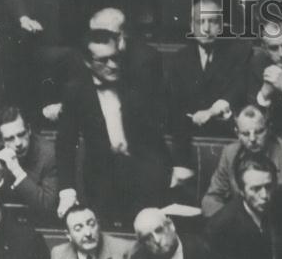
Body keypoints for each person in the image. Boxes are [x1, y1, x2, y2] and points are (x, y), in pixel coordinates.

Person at [55, 31, 188, 225]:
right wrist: (67, 190)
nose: (113, 65)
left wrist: (182, 163)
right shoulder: (75, 91)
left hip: (148, 174)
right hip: (102, 181)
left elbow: (177, 114)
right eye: (103, 60)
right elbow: (65, 143)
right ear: (87, 62)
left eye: (115, 58)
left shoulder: (141, 79)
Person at [166, 0, 254, 156]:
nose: (206, 29)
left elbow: (238, 89)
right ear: (192, 26)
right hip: (191, 137)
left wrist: (212, 112)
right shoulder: (178, 60)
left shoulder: (239, 53)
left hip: (229, 139)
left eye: (212, 22)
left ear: (221, 26)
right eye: (201, 22)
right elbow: (175, 107)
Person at [201, 105, 282, 227]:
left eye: (259, 131)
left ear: (268, 128)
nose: (252, 139)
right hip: (245, 232)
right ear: (237, 133)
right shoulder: (229, 154)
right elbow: (211, 199)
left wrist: (260, 227)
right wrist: (233, 224)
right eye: (245, 133)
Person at [0, 107, 58, 224]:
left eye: (21, 134)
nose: (18, 143)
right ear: (1, 140)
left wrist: (17, 171)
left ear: (29, 130)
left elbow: (48, 206)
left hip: (40, 224)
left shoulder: (49, 154)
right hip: (6, 223)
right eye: (10, 139)